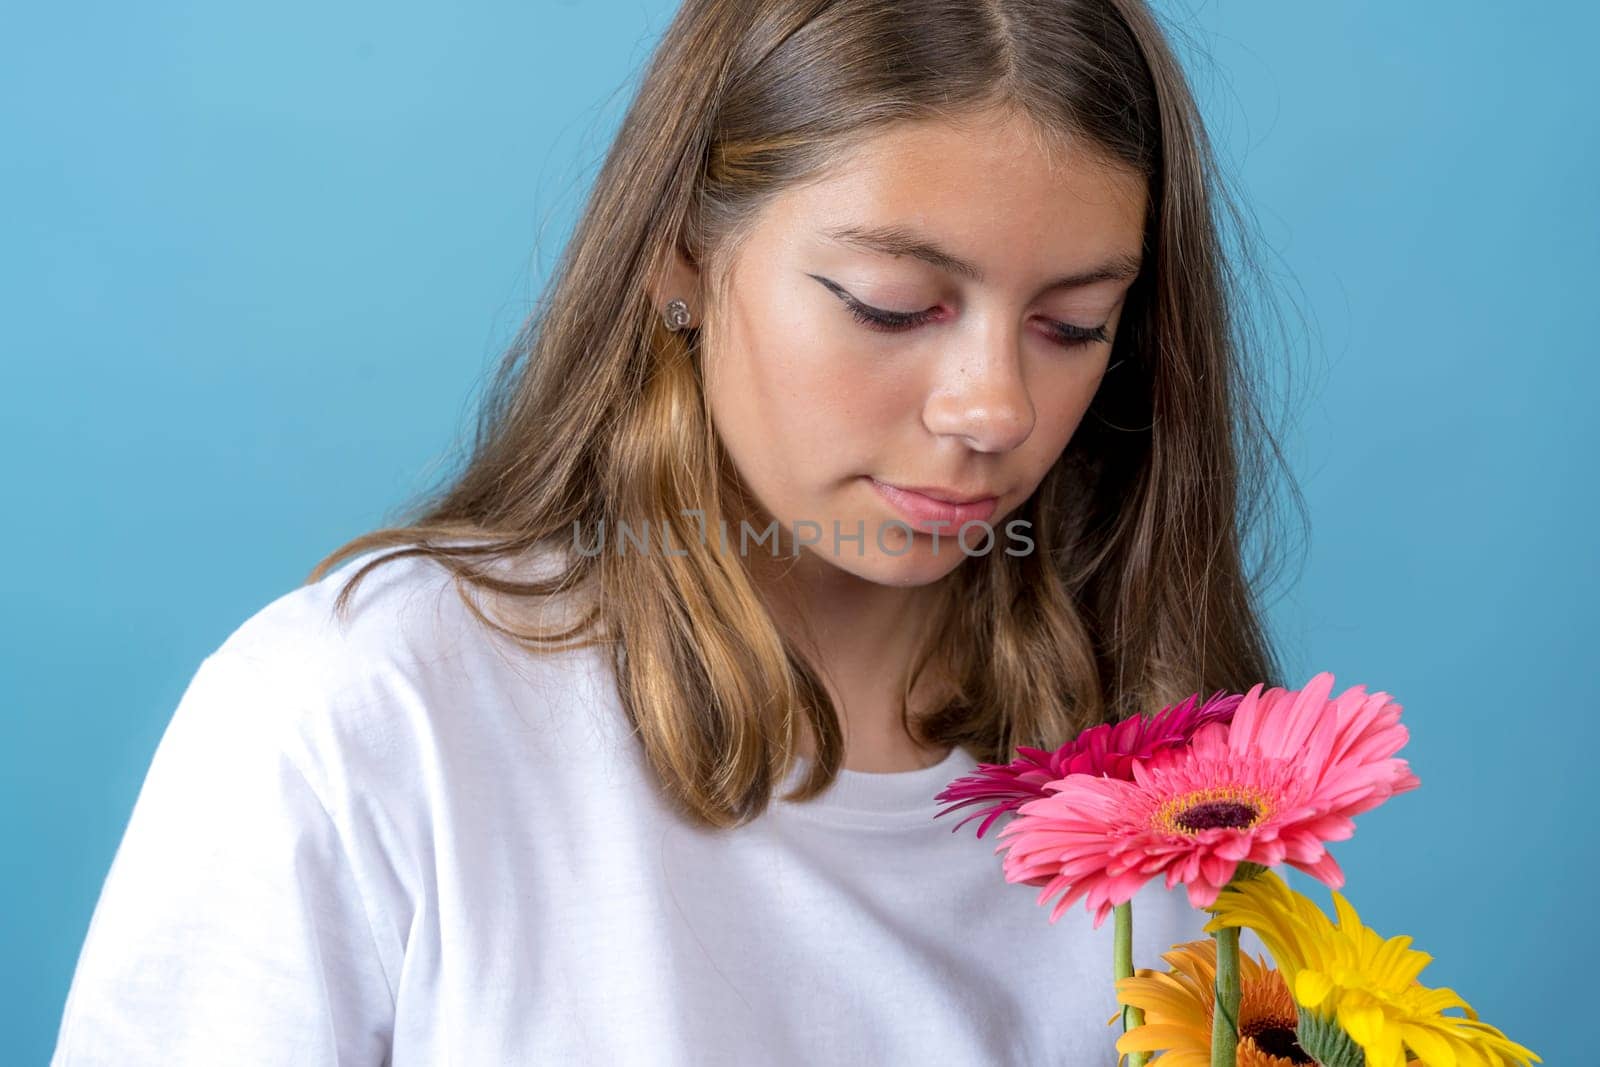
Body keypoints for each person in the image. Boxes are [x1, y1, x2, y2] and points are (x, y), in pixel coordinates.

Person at [51, 0, 1294, 1063]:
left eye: (1072, 324)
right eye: (892, 305)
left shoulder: (1187, 793)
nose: (992, 408)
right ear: (679, 261)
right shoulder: (367, 715)